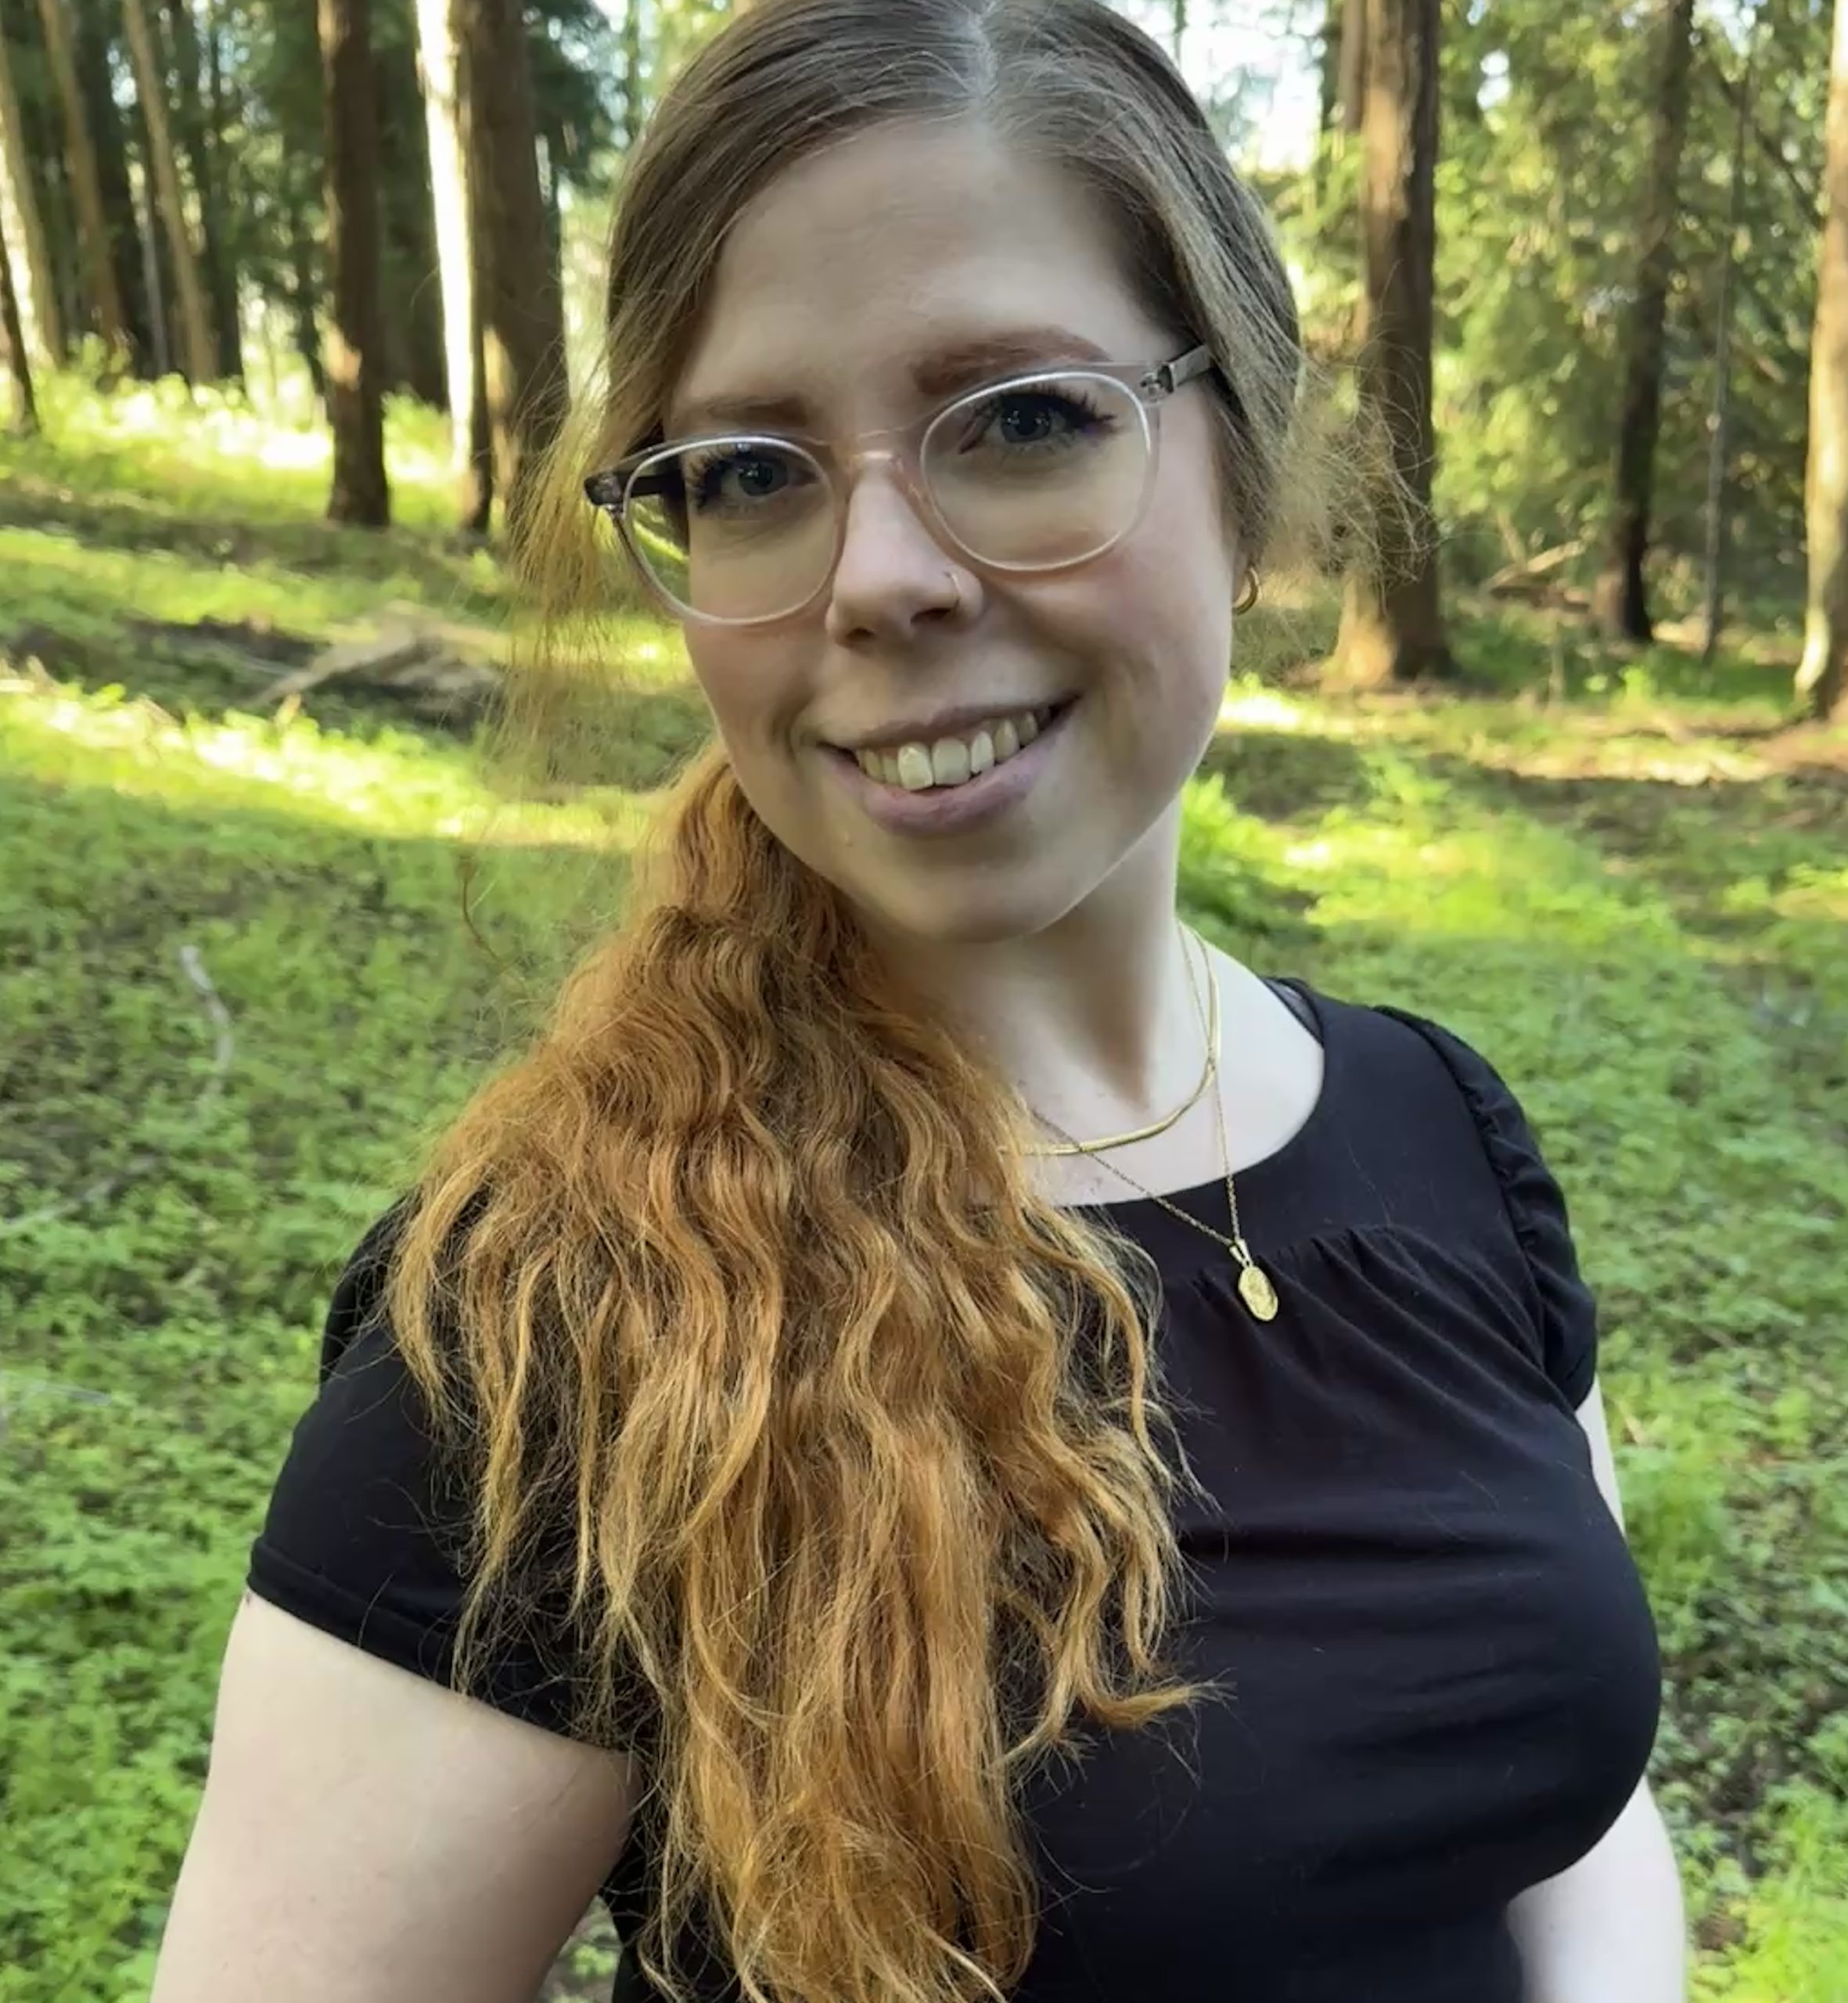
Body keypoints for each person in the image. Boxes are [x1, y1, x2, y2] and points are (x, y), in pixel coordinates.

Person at [150, 2, 1685, 1999]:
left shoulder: (1437, 1130)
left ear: (1245, 456)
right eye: (747, 470)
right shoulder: (558, 1322)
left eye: (1021, 418)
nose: (876, 576)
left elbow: (1573, 1814)